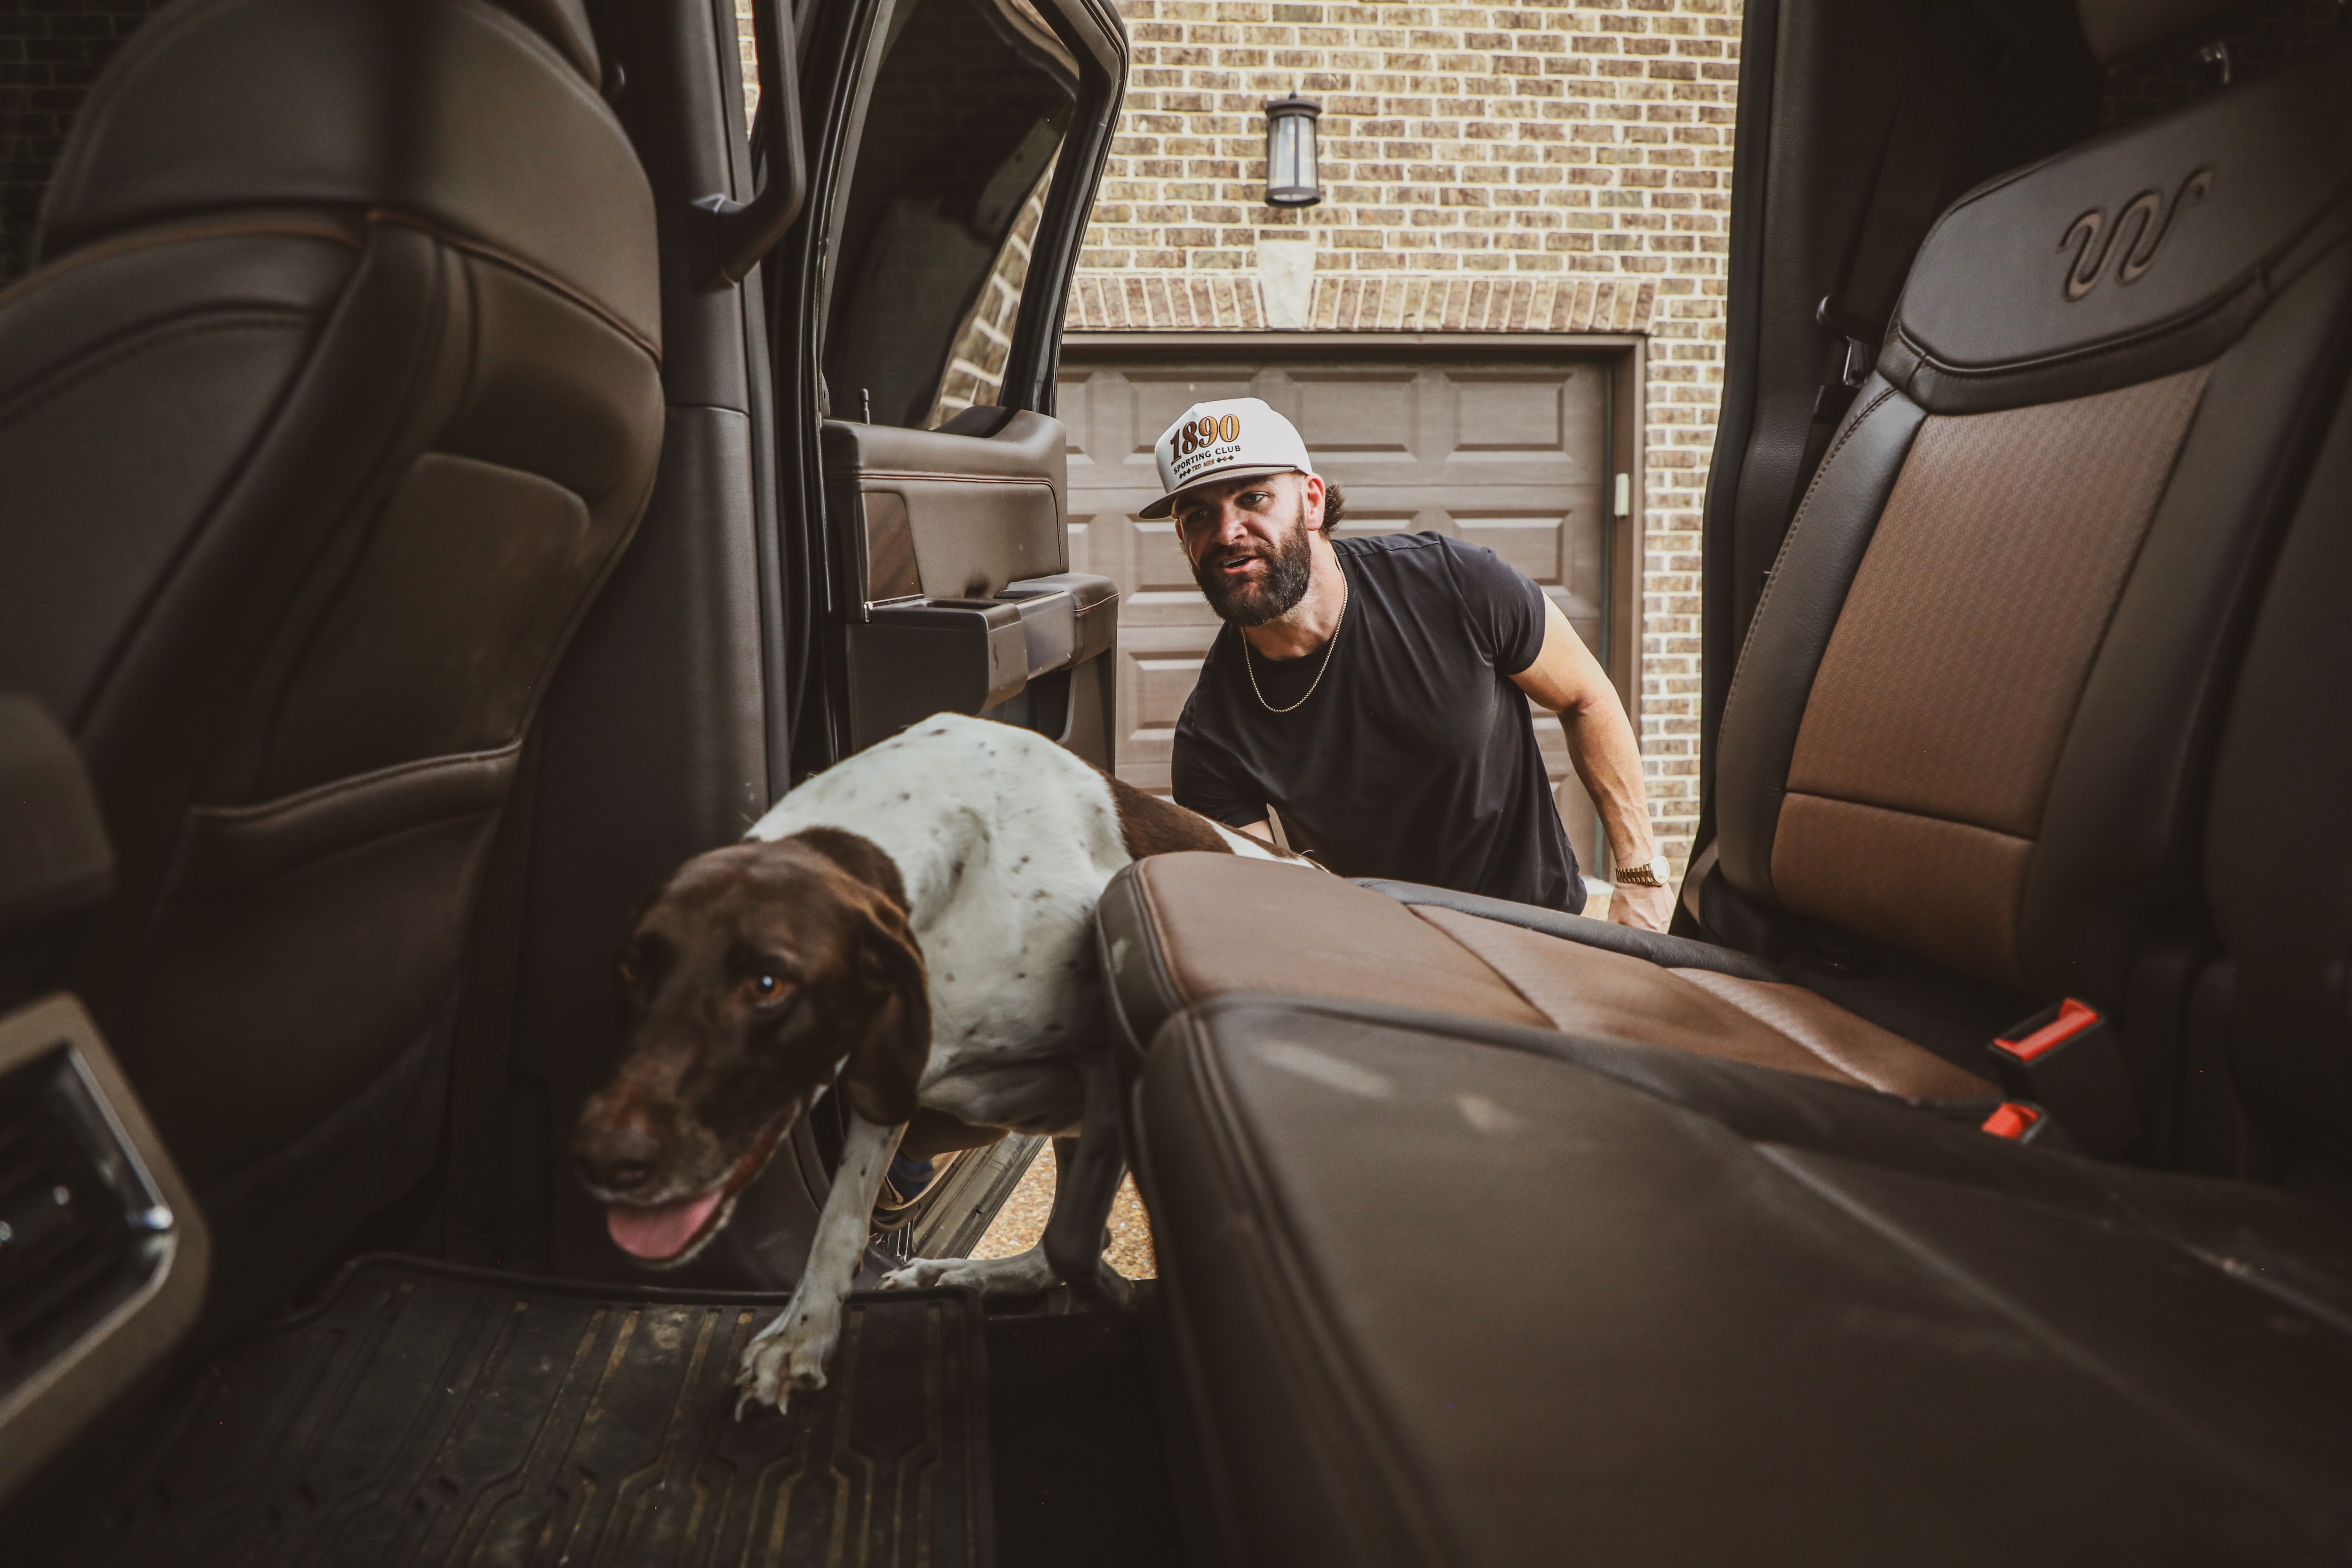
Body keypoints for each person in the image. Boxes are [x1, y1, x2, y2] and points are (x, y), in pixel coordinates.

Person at [1157, 397, 1674, 930]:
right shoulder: (1210, 737)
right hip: (1396, 965)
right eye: (1198, 514)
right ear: (1183, 539)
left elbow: (1585, 696)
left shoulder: (1455, 583)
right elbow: (1269, 900)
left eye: (1253, 497)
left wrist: (1641, 876)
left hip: (1540, 932)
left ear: (1311, 502)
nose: (1226, 533)